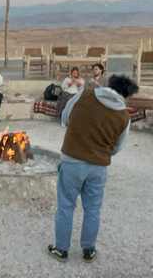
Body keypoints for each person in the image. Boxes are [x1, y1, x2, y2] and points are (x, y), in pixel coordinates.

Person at [47, 75, 139, 263]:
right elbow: (117, 147)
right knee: (93, 209)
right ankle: (88, 249)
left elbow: (64, 117)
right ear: (125, 94)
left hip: (72, 160)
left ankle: (61, 249)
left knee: (65, 206)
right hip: (98, 167)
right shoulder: (124, 116)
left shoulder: (84, 95)